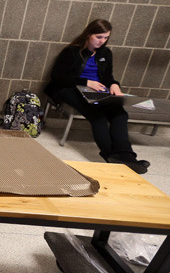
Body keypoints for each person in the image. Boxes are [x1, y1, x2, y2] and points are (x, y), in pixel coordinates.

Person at [44, 19, 149, 174]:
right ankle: (110, 156)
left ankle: (127, 156)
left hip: (96, 91)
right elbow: (58, 77)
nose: (102, 41)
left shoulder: (105, 54)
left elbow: (107, 77)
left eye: (106, 38)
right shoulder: (72, 51)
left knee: (120, 113)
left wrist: (114, 84)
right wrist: (86, 81)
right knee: (97, 115)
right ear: (88, 34)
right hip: (69, 88)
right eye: (99, 37)